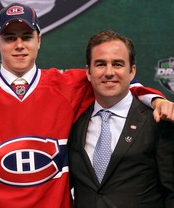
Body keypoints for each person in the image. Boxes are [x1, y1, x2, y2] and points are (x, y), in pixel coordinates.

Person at [0, 3, 173, 208]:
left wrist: (155, 98)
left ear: (39, 40)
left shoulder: (68, 85)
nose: (19, 45)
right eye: (10, 38)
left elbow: (115, 83)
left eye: (27, 37)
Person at [68, 30, 174, 208]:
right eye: (100, 64)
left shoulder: (157, 121)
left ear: (132, 71)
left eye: (117, 64)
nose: (109, 72)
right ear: (88, 71)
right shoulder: (74, 121)